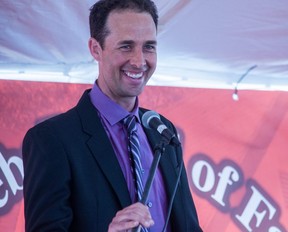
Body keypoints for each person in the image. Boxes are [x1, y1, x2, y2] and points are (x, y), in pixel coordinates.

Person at [22, 0, 202, 231]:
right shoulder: (51, 139)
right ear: (96, 49)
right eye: (126, 46)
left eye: (149, 47)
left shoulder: (162, 131)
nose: (139, 61)